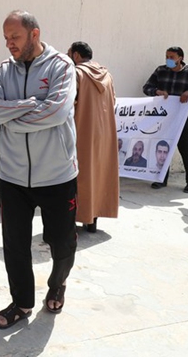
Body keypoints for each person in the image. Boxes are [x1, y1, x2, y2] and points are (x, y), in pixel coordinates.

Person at [0, 10, 78, 329]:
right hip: (12, 176)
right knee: (15, 245)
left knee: (62, 242)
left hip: (57, 175)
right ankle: (22, 302)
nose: (9, 44)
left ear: (34, 34)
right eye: (6, 38)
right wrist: (29, 104)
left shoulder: (62, 66)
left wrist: (11, 119)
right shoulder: (2, 72)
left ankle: (58, 284)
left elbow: (57, 112)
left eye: (15, 37)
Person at [143, 46, 188, 192]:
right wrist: (157, 91)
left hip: (185, 117)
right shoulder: (161, 71)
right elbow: (146, 87)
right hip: (165, 117)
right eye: (167, 57)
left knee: (186, 148)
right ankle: (161, 179)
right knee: (163, 147)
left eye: (172, 57)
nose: (168, 60)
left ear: (180, 58)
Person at [68, 41, 119, 233]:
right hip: (105, 133)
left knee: (78, 176)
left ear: (76, 55)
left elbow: (67, 104)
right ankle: (92, 221)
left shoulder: (76, 73)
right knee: (99, 175)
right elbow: (113, 101)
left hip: (82, 131)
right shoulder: (107, 75)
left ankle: (75, 218)